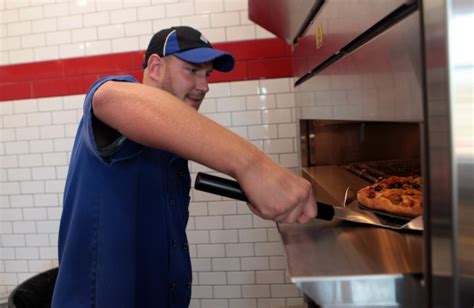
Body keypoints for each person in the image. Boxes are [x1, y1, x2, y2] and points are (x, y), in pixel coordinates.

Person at [51, 26, 317, 308]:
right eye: (192, 70)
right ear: (155, 67)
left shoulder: (173, 148)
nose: (204, 86)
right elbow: (108, 98)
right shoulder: (117, 114)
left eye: (207, 74)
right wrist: (253, 166)